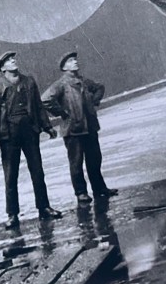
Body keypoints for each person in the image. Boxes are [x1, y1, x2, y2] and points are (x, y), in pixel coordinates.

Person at [0, 51, 62, 229]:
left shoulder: (29, 81)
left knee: (38, 171)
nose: (13, 61)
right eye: (8, 60)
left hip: (29, 131)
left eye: (13, 59)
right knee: (10, 175)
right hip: (9, 135)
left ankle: (44, 208)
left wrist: (47, 127)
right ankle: (12, 215)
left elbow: (38, 105)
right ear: (3, 68)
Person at [41, 51, 118, 206]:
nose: (75, 62)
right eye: (70, 60)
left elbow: (99, 87)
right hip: (73, 129)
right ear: (64, 67)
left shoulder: (83, 81)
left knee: (95, 159)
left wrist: (94, 101)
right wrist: (62, 113)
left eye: (75, 59)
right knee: (76, 162)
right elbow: (45, 100)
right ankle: (81, 193)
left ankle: (99, 188)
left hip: (89, 127)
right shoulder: (61, 84)